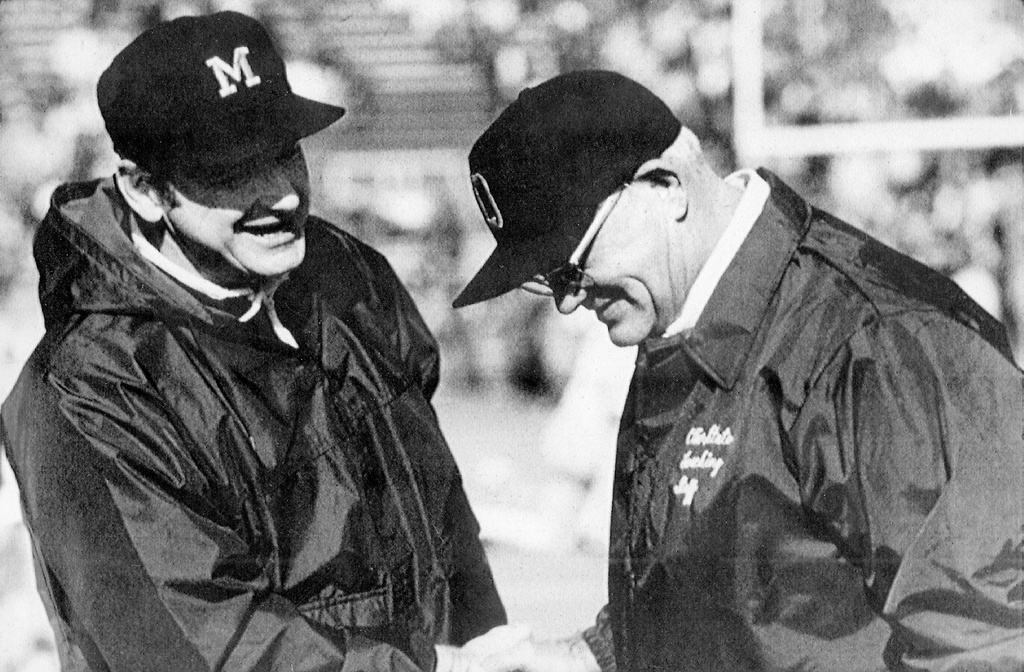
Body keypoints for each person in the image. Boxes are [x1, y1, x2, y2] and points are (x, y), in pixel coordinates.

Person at [452, 70, 1024, 671]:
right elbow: (741, 596)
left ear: (665, 185)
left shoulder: (878, 344)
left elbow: (991, 641)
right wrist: (585, 656)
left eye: (572, 262)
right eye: (548, 281)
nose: (569, 299)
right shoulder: (682, 327)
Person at [0, 12, 513, 671]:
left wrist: (482, 649)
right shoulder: (87, 386)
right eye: (227, 171)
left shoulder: (348, 277)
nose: (278, 195)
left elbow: (445, 524)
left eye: (283, 153)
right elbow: (200, 647)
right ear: (145, 191)